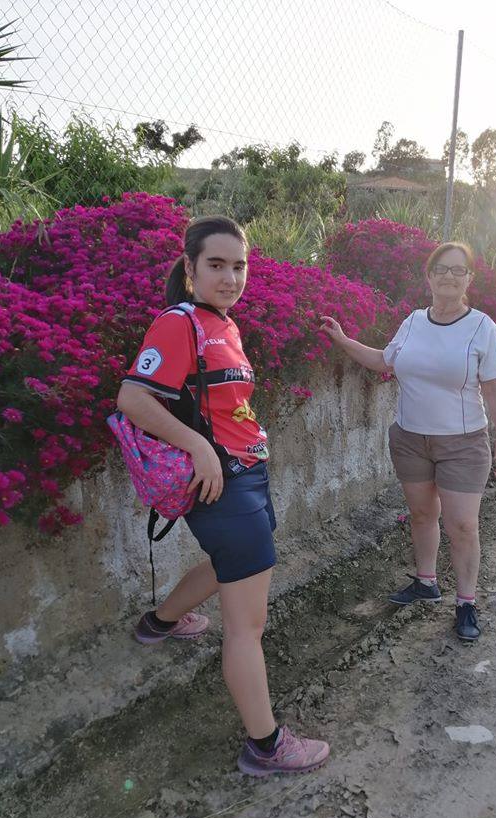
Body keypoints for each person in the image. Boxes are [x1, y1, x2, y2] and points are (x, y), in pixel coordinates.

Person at [117, 215, 329, 776]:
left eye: (239, 266)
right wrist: (199, 448)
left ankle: (160, 623)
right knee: (246, 627)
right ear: (190, 267)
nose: (230, 277)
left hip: (246, 473)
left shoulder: (223, 322)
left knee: (230, 565)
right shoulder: (179, 322)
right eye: (216, 265)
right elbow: (132, 398)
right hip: (221, 482)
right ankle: (266, 746)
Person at [320, 241, 496, 643]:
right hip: (410, 439)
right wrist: (342, 340)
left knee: (462, 525)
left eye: (458, 270)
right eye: (441, 268)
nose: (448, 276)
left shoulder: (482, 327)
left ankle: (466, 602)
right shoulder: (413, 321)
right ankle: (426, 582)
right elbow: (383, 360)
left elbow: (494, 387)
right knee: (422, 514)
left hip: (462, 444)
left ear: (469, 279)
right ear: (429, 276)